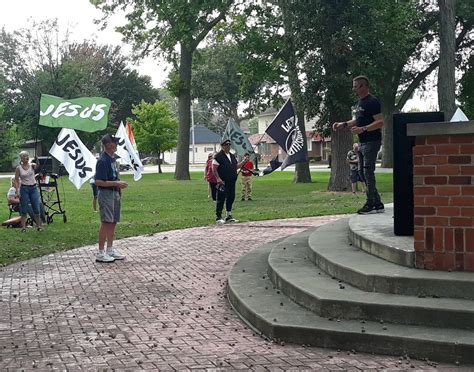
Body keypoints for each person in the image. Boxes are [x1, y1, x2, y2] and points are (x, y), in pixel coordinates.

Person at [333, 75, 384, 214]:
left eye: (355, 86)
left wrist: (363, 129)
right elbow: (357, 120)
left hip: (372, 141)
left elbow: (380, 121)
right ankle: (377, 202)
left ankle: (370, 202)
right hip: (362, 143)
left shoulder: (372, 101)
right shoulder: (360, 103)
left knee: (367, 173)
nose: (353, 89)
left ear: (362, 86)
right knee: (362, 172)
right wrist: (343, 124)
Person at [94, 134, 128, 263]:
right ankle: (101, 252)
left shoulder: (113, 159)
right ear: (108, 144)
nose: (116, 145)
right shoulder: (103, 161)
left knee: (113, 221)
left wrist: (118, 189)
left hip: (114, 193)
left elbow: (115, 177)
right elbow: (98, 181)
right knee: (106, 222)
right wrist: (116, 184)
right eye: (114, 142)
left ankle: (110, 249)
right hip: (106, 194)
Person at [212, 139, 245, 224]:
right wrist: (218, 178)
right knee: (221, 198)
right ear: (222, 146)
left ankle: (228, 215)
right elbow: (214, 168)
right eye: (226, 145)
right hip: (223, 181)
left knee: (231, 197)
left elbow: (235, 167)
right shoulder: (218, 156)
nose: (228, 147)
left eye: (229, 145)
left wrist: (243, 162)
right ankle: (218, 216)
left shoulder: (232, 156)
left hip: (232, 180)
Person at [14, 151, 43, 232]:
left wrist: (37, 159)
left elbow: (37, 167)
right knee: (24, 208)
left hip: (33, 188)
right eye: (24, 156)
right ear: (21, 158)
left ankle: (39, 226)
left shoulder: (32, 166)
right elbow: (16, 180)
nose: (26, 157)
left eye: (27, 156)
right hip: (24, 189)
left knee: (36, 207)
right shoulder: (18, 168)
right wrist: (17, 191)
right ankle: (23, 227)